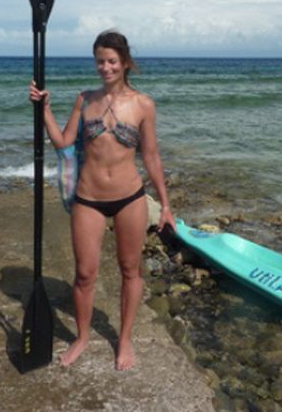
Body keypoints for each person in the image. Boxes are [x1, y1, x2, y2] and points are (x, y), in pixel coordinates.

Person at [29, 29, 176, 370]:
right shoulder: (85, 99)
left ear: (124, 63)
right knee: (84, 274)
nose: (105, 68)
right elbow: (64, 143)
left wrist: (166, 205)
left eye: (111, 61)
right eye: (100, 61)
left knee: (130, 270)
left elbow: (152, 157)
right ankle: (82, 337)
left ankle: (123, 340)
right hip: (88, 198)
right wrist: (45, 110)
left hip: (130, 198)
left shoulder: (143, 105)